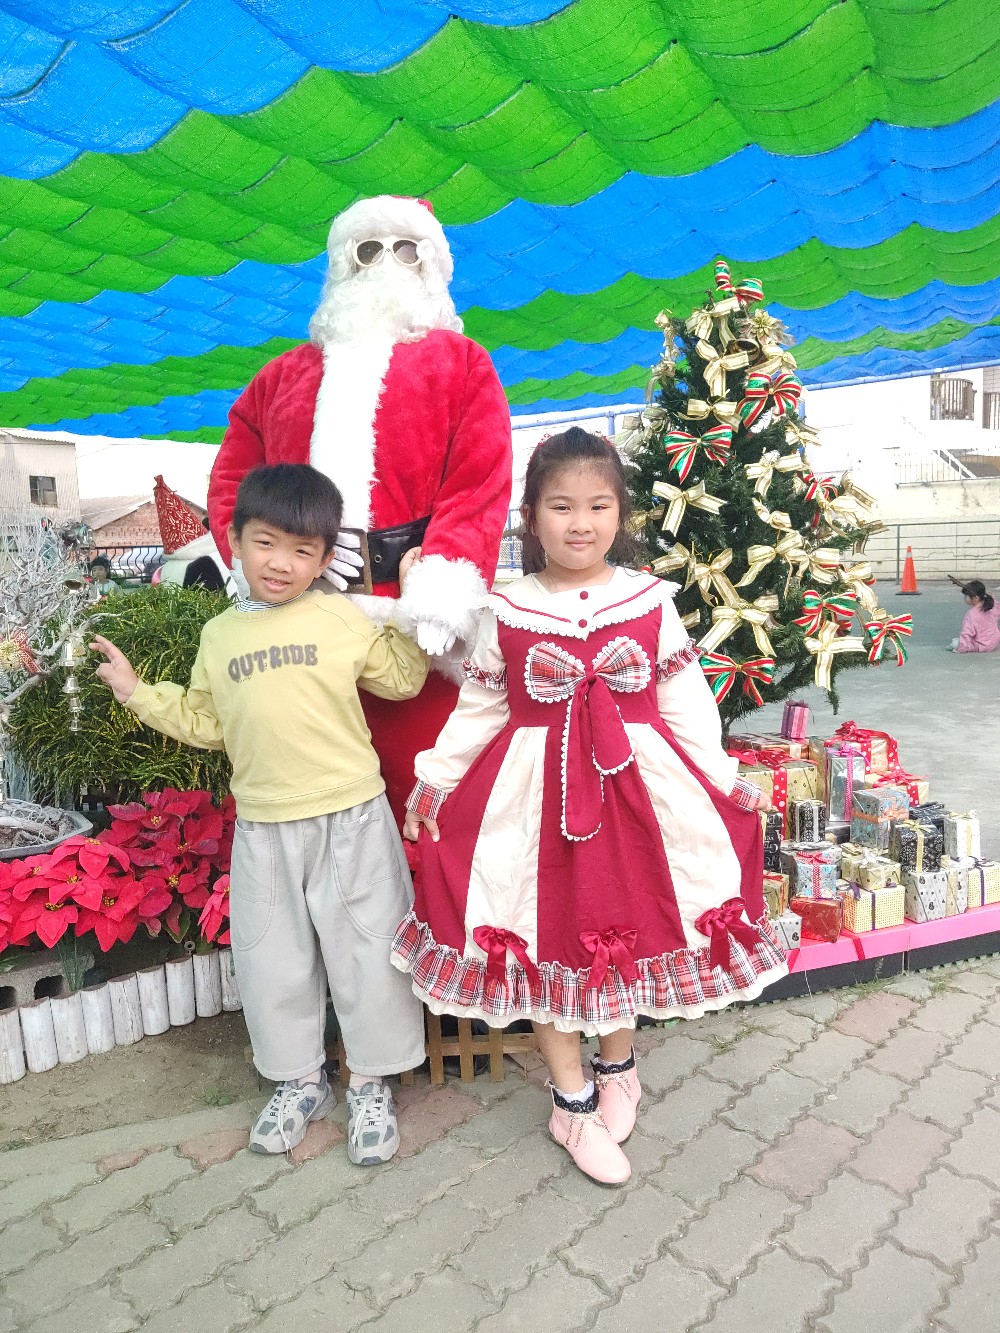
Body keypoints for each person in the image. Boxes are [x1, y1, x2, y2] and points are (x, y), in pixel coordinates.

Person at [395, 429, 786, 1186]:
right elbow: (480, 707)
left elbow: (685, 704)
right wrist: (435, 782)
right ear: (531, 516)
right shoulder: (504, 608)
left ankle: (620, 1068)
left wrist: (725, 780)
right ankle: (570, 1101)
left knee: (624, 928)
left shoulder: (650, 599)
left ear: (621, 513)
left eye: (598, 505)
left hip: (635, 795)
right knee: (543, 935)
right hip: (530, 802)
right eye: (562, 505)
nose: (581, 522)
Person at [91, 463, 429, 1164]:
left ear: (325, 558)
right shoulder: (219, 637)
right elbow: (208, 721)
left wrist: (415, 601)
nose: (282, 563)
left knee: (369, 949)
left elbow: (402, 679)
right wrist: (134, 692)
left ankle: (372, 1082)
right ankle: (300, 1081)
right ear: (237, 540)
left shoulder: (340, 617)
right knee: (271, 956)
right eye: (267, 543)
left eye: (304, 550)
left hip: (352, 817)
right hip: (265, 824)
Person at [206, 194, 513, 824]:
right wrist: (264, 560)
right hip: (300, 619)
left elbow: (480, 481)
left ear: (431, 266)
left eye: (406, 250)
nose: (386, 264)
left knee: (428, 794)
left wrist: (443, 584)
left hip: (412, 618)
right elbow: (232, 483)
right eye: (368, 250)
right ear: (342, 264)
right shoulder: (279, 377)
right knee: (307, 787)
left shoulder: (463, 364)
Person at [952, 580, 1000, 653]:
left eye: (966, 596)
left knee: (955, 643)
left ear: (976, 598)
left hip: (981, 645)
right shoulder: (993, 605)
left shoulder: (971, 614)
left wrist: (961, 649)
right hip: (994, 642)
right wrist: (992, 599)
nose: (965, 598)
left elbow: (966, 633)